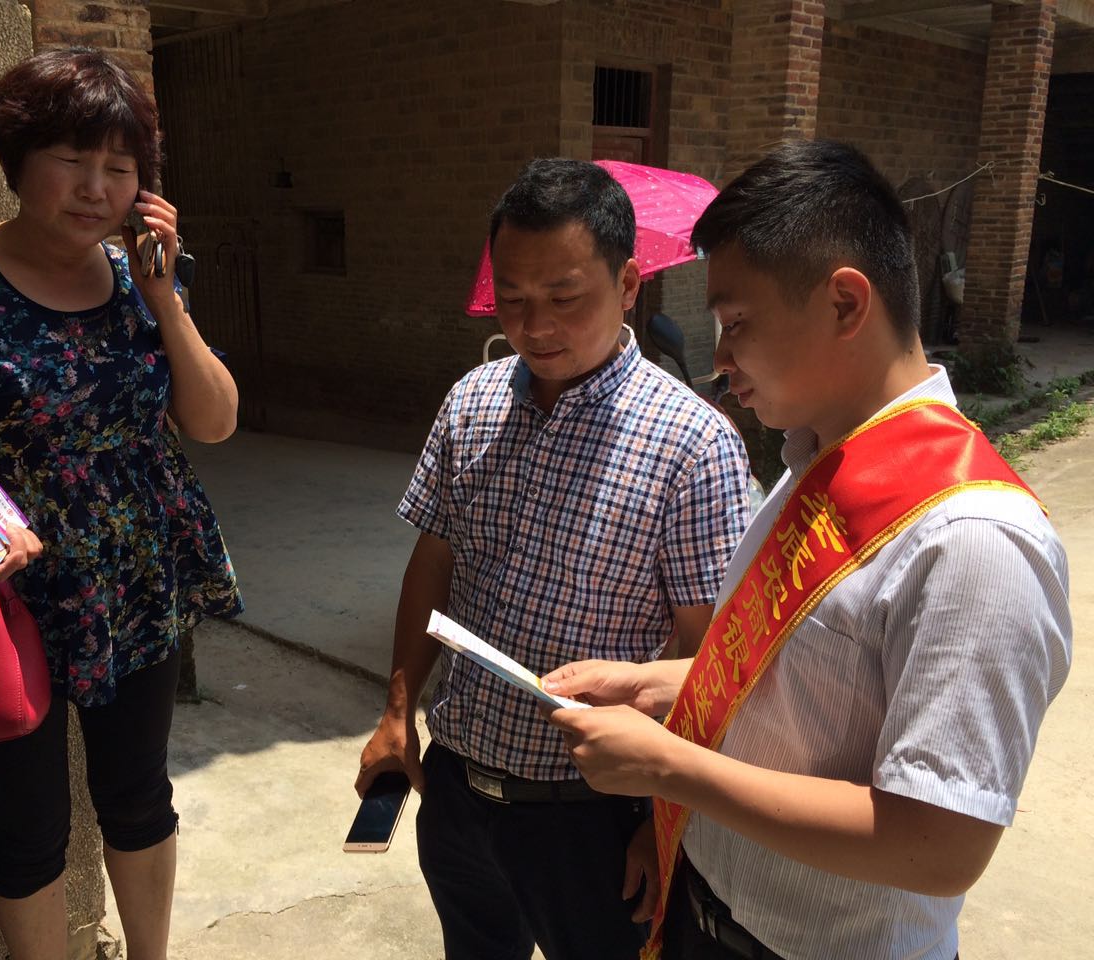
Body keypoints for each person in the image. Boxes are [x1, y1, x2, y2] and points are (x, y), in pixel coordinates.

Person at [544, 139, 1073, 960]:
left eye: (737, 324)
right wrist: (663, 683)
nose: (720, 360)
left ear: (845, 304)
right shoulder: (814, 465)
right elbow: (810, 687)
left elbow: (938, 844)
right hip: (705, 915)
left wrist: (670, 770)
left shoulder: (975, 542)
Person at [0, 49, 242, 960]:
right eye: (71, 159)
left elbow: (215, 422)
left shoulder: (145, 282)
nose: (96, 187)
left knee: (139, 795)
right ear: (18, 160)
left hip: (133, 579)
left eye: (120, 167)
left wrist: (165, 300)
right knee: (26, 823)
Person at [355, 158, 751, 960]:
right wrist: (397, 712)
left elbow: (708, 651)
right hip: (458, 790)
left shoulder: (693, 444)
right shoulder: (471, 403)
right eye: (512, 298)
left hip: (596, 816)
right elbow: (434, 561)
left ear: (628, 284)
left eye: (565, 298)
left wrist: (665, 819)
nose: (535, 326)